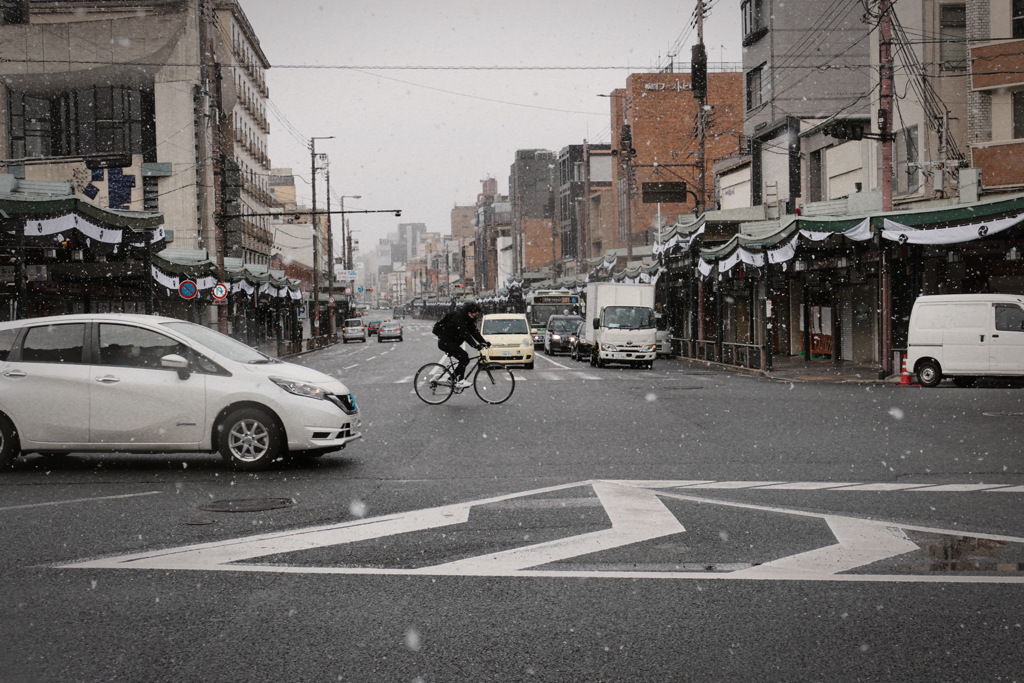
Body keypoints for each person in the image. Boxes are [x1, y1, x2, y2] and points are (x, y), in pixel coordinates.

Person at [436, 301, 490, 388]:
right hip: (445, 342)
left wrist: (483, 342)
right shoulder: (459, 317)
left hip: (452, 342)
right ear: (469, 313)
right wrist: (475, 345)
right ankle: (460, 381)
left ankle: (452, 378)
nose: (475, 317)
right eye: (474, 315)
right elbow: (464, 333)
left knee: (465, 359)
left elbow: (474, 332)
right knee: (464, 357)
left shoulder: (468, 319)